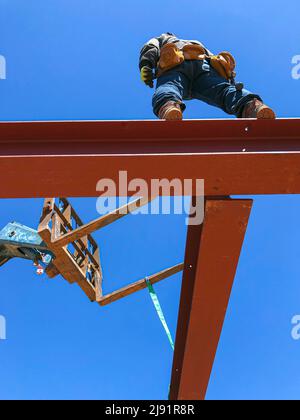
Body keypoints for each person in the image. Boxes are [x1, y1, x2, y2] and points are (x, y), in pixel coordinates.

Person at [139, 33, 276, 120]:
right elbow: (152, 45)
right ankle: (251, 106)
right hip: (191, 65)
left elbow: (151, 46)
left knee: (170, 86)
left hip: (185, 65)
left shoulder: (172, 39)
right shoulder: (178, 40)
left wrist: (146, 64)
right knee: (222, 90)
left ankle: (169, 106)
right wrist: (146, 64)